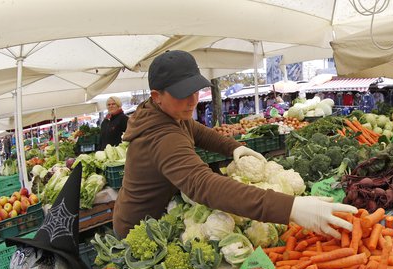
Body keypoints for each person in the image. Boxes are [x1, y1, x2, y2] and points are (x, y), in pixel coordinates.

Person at [113, 50, 357, 239]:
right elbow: (203, 185)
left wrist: (233, 147)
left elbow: (198, 132)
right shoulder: (161, 136)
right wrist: (289, 208)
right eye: (182, 93)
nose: (192, 100)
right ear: (156, 96)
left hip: (160, 213)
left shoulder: (169, 113)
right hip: (140, 227)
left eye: (195, 91)